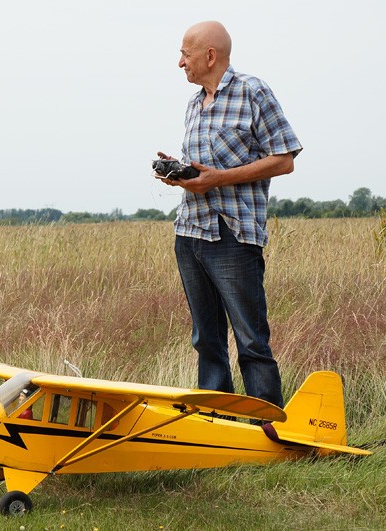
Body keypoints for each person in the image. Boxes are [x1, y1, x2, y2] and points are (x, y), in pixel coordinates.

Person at [155, 21, 302, 409]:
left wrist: (218, 179)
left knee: (251, 338)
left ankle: (267, 424)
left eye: (185, 54)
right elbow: (206, 168)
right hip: (189, 232)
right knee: (206, 338)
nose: (179, 63)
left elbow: (284, 159)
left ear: (210, 56)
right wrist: (181, 170)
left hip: (233, 235)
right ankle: (215, 423)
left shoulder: (253, 92)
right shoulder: (193, 103)